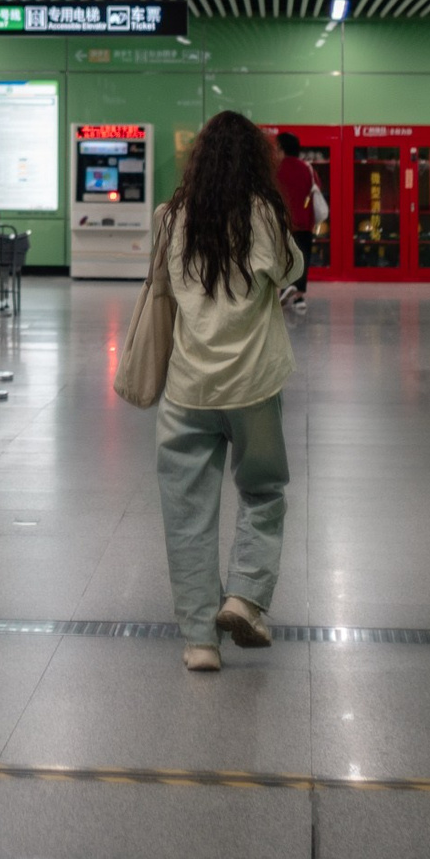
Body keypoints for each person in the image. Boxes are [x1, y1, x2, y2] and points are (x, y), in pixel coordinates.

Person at [152, 110, 305, 673]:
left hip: (188, 388)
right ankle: (243, 597)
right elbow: (291, 270)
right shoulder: (262, 214)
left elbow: (164, 287)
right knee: (263, 493)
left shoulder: (170, 218)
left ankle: (199, 642)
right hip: (254, 386)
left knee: (187, 512)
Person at [273, 131, 320, 303]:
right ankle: (299, 296)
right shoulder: (307, 168)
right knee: (303, 255)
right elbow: (316, 188)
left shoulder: (275, 169)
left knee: (283, 256)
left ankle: (285, 287)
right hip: (305, 222)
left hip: (282, 222)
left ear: (281, 148)